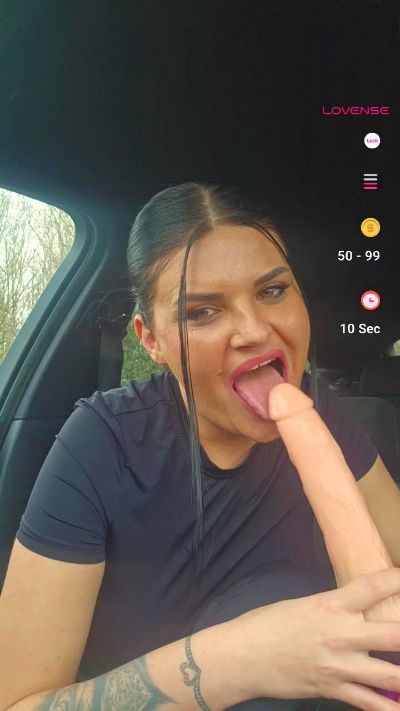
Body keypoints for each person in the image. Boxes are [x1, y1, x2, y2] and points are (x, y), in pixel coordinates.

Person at [1, 182, 400, 711]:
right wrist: (234, 660)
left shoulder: (323, 413)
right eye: (203, 312)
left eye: (272, 291)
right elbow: (17, 703)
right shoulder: (101, 443)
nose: (254, 330)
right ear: (151, 340)